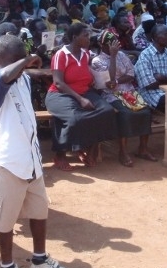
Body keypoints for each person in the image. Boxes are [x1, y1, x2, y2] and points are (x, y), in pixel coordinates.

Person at [0, 35, 71, 268]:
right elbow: (5, 76)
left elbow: (22, 72)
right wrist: (25, 61)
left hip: (31, 158)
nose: (21, 66)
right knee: (5, 220)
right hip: (9, 162)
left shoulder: (21, 78)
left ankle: (39, 259)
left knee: (39, 211)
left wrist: (32, 62)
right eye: (15, 61)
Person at [45, 23, 117, 170]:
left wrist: (113, 56)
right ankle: (60, 155)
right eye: (85, 36)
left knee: (107, 111)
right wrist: (80, 99)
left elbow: (99, 71)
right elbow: (58, 83)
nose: (88, 39)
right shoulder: (61, 55)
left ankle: (88, 149)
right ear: (74, 37)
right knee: (74, 118)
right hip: (60, 94)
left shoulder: (86, 54)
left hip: (84, 91)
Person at [91, 31, 156, 167]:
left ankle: (143, 148)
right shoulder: (97, 61)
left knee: (146, 111)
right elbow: (109, 81)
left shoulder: (122, 55)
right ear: (101, 45)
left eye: (115, 43)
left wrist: (117, 81)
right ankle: (123, 152)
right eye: (111, 44)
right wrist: (113, 57)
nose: (115, 46)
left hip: (129, 91)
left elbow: (131, 74)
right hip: (111, 94)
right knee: (125, 113)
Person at [134, 24, 167, 111]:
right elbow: (149, 85)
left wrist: (161, 77)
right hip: (154, 95)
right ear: (156, 37)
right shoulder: (145, 56)